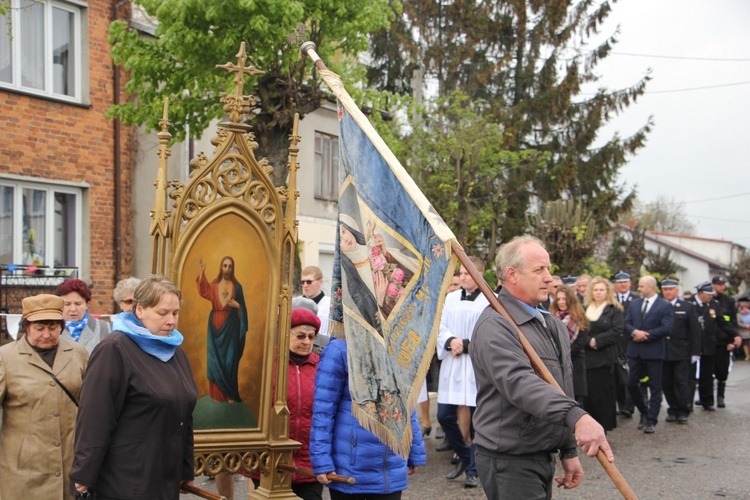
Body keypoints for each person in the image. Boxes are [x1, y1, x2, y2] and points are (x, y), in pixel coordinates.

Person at [470, 235, 612, 499]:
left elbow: (562, 387)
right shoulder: (495, 325)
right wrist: (577, 417)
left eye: (548, 269)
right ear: (512, 274)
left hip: (540, 452)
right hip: (510, 458)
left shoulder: (551, 324)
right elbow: (520, 383)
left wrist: (568, 449)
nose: (549, 278)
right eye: (539, 270)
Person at [70, 275, 198, 499]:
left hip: (165, 476)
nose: (171, 321)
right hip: (126, 479)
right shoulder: (115, 349)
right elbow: (95, 415)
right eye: (163, 313)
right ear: (139, 310)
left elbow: (184, 415)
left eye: (175, 313)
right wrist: (84, 471)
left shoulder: (176, 351)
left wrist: (186, 466)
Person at [309, 336, 426, 498]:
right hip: (351, 468)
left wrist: (414, 450)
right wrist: (322, 461)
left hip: (390, 469)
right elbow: (323, 412)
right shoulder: (339, 349)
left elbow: (406, 405)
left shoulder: (397, 346)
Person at [0, 294, 88, 500]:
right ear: (26, 327)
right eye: (40, 328)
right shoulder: (6, 357)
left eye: (53, 327)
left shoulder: (78, 353)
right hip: (25, 470)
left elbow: (91, 405)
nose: (47, 334)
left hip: (71, 464)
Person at [248, 308, 324, 499]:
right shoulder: (268, 364)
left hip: (309, 460)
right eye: (300, 336)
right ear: (285, 334)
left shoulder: (322, 367)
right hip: (270, 460)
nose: (306, 342)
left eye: (311, 337)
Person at [436, 258, 489, 488]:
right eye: (462, 273)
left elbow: (492, 332)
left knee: (479, 419)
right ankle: (466, 455)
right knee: (444, 414)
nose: (464, 277)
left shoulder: (490, 300)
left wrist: (466, 344)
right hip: (454, 363)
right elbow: (441, 325)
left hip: (476, 364)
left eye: (469, 273)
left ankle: (473, 470)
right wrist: (449, 341)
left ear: (480, 274)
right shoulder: (450, 297)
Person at [624, 275, 674, 434]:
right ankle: (644, 411)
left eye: (640, 286)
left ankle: (651, 420)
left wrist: (647, 335)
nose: (638, 289)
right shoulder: (634, 304)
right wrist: (634, 332)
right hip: (635, 351)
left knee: (655, 387)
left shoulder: (664, 306)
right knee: (631, 383)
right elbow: (626, 323)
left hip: (653, 351)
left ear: (650, 287)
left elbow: (666, 327)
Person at [197, 256, 249, 402]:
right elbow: (204, 290)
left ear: (233, 269)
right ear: (221, 267)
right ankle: (217, 395)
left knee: (230, 361)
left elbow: (242, 306)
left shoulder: (237, 287)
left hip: (231, 326)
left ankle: (230, 394)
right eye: (225, 266)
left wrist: (238, 307)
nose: (227, 269)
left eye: (230, 266)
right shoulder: (214, 285)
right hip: (215, 325)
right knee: (215, 360)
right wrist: (202, 272)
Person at [583, 276, 623, 432]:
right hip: (586, 356)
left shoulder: (614, 309)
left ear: (607, 292)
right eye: (595, 290)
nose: (598, 293)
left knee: (602, 394)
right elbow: (579, 329)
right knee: (588, 394)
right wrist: (588, 341)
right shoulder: (584, 307)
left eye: (601, 290)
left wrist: (597, 341)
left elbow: (616, 331)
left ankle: (603, 426)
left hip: (604, 357)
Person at [659, 278, 701, 424]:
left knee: (681, 381)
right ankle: (672, 408)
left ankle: (683, 410)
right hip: (663, 352)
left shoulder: (687, 306)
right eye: (665, 289)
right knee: (667, 383)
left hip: (681, 352)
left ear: (677, 290)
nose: (668, 292)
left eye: (671, 289)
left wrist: (696, 352)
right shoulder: (658, 306)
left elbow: (695, 331)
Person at [549, 285, 589, 406]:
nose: (561, 302)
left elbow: (580, 343)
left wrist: (562, 353)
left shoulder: (581, 319)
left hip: (575, 364)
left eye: (564, 299)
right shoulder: (550, 318)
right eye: (559, 299)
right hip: (555, 364)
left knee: (576, 402)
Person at [56, 277, 112, 354]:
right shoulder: (52, 329)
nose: (73, 309)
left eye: (78, 304)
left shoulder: (104, 328)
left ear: (87, 304)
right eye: (67, 304)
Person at [711, 275, 741, 407]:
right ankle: (706, 397)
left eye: (723, 284)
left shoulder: (728, 301)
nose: (721, 287)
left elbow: (732, 322)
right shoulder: (708, 299)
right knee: (706, 372)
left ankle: (720, 397)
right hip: (709, 341)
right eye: (719, 284)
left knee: (722, 371)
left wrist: (731, 340)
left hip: (723, 340)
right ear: (713, 285)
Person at [612, 270, 638, 418]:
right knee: (617, 374)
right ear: (615, 284)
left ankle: (629, 406)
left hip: (630, 340)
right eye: (620, 282)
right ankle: (621, 403)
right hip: (615, 342)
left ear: (630, 283)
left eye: (625, 282)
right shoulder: (611, 299)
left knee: (630, 374)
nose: (622, 285)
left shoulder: (636, 298)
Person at [300, 265, 331, 334]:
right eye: (302, 282)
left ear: (320, 282)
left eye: (309, 282)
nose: (305, 285)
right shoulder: (296, 304)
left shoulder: (330, 305)